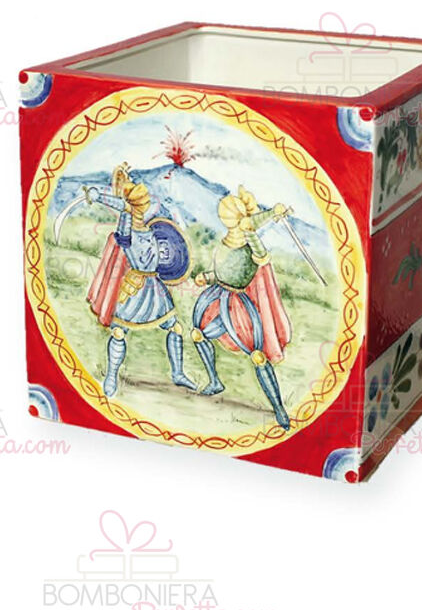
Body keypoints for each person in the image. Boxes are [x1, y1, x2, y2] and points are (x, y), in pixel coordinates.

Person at [85, 164, 196, 397]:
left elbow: (165, 222)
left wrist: (124, 182)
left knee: (174, 326)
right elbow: (123, 207)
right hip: (134, 290)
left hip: (155, 288)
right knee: (119, 332)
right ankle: (111, 377)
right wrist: (100, 197)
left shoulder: (150, 226)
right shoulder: (126, 231)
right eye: (141, 203)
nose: (146, 205)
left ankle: (178, 373)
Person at [190, 186, 292, 428]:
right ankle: (215, 381)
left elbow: (261, 257)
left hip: (241, 309)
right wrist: (208, 277)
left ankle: (279, 409)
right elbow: (223, 272)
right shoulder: (225, 241)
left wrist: (256, 228)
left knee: (257, 355)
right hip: (219, 300)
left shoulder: (251, 245)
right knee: (198, 334)